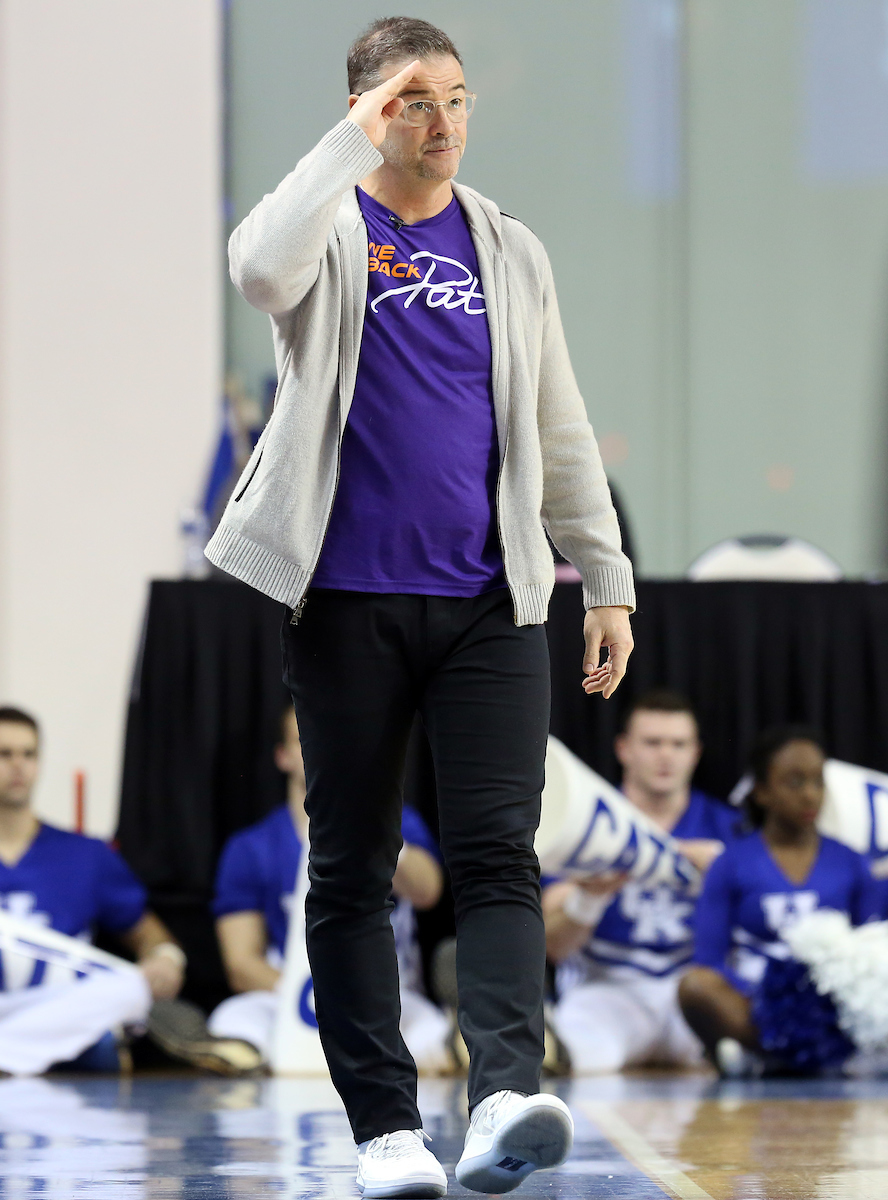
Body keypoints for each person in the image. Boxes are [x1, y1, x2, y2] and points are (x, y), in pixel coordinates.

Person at [205, 16, 636, 1197]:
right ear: (365, 114)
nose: (440, 124)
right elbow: (254, 267)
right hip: (345, 600)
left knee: (501, 852)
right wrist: (347, 145)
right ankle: (387, 1132)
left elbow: (556, 422)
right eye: (412, 103)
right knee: (352, 865)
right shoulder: (329, 230)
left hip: (493, 599)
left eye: (454, 101)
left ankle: (503, 1094)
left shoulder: (509, 247)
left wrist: (603, 577)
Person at [209, 708, 451, 1072]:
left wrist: (375, 833)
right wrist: (309, 1000)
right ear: (284, 756)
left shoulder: (398, 821)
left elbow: (428, 890)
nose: (323, 751)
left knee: (430, 1037)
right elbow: (241, 963)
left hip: (389, 998)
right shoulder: (251, 847)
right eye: (306, 741)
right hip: (290, 997)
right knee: (234, 1020)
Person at [543, 690, 738, 1072]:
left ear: (695, 752)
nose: (666, 755)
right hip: (608, 990)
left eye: (678, 744)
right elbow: (552, 945)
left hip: (695, 989)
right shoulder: (588, 822)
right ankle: (529, 1043)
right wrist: (588, 896)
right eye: (652, 743)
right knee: (581, 1051)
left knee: (740, 1049)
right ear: (623, 749)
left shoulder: (728, 829)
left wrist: (724, 873)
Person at [678, 726, 881, 1076]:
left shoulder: (850, 861)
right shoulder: (731, 863)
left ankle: (771, 1058)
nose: (810, 795)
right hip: (756, 1006)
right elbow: (709, 959)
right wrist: (768, 999)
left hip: (833, 1005)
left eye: (818, 781)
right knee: (695, 986)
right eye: (794, 782)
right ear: (761, 792)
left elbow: (873, 949)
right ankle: (771, 1050)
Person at [0, 706, 184, 1074]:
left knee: (129, 987)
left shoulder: (86, 855)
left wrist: (165, 958)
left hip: (58, 1009)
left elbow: (147, 933)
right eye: (4, 754)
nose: (18, 765)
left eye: (28, 754)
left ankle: (10, 1053)